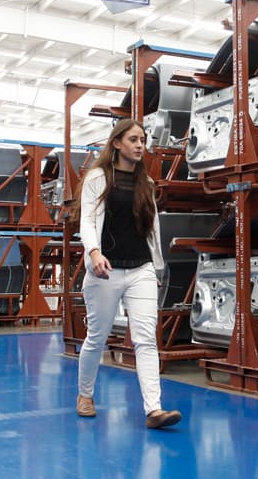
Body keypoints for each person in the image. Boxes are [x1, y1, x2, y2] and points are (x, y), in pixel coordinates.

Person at [74, 118, 182, 429]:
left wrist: (156, 268)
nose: (140, 145)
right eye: (133, 139)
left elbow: (150, 230)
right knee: (97, 337)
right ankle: (85, 395)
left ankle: (154, 410)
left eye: (143, 140)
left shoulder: (145, 184)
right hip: (105, 270)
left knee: (146, 340)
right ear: (117, 143)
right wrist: (94, 252)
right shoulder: (98, 178)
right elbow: (88, 221)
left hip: (141, 269)